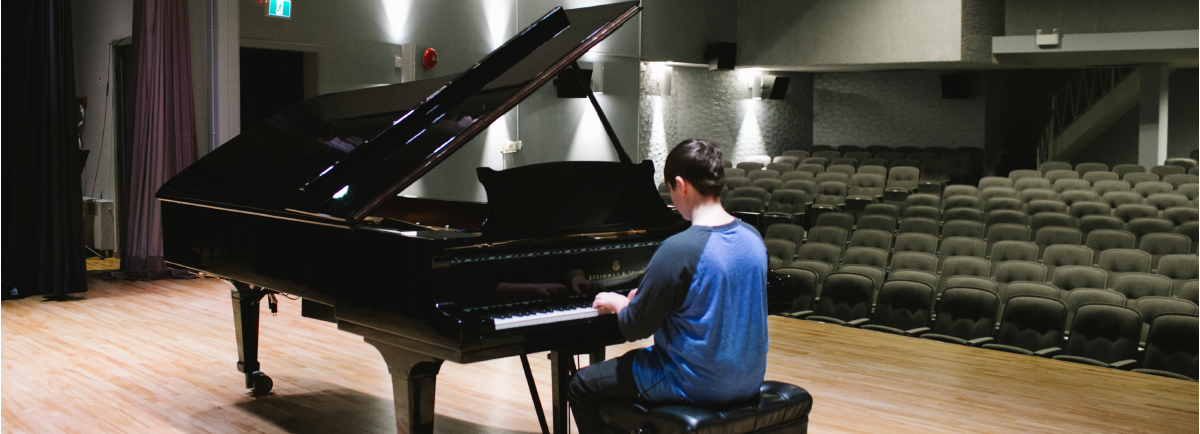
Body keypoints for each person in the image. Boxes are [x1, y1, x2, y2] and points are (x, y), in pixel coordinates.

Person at [568, 139, 769, 432]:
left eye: (671, 191)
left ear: (680, 184)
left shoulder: (679, 249)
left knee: (582, 385)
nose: (673, 199)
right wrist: (652, 300)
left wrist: (617, 302)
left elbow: (635, 327)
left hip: (694, 382)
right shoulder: (753, 237)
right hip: (748, 379)